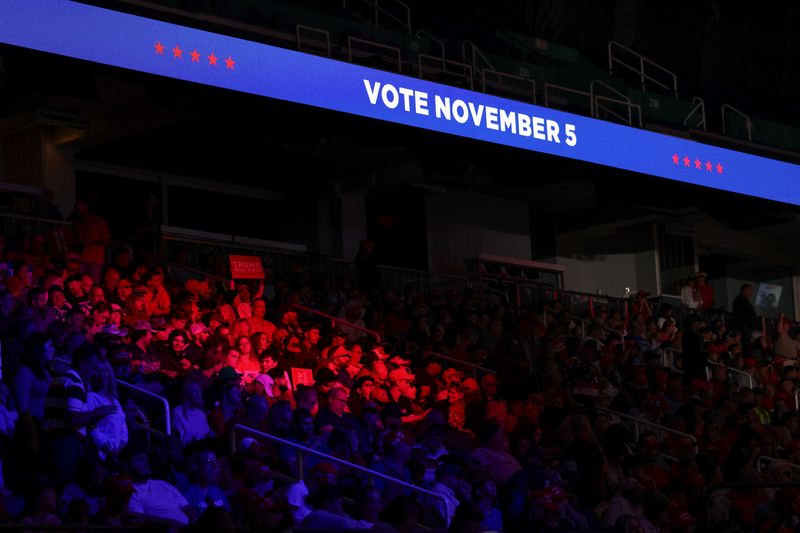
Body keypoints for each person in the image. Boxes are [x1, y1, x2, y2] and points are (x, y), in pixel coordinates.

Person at [124, 446, 194, 526]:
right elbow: (138, 517)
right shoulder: (129, 490)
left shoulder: (163, 484)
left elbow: (186, 507)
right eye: (140, 459)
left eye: (147, 459)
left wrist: (196, 520)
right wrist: (169, 523)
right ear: (126, 465)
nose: (147, 464)